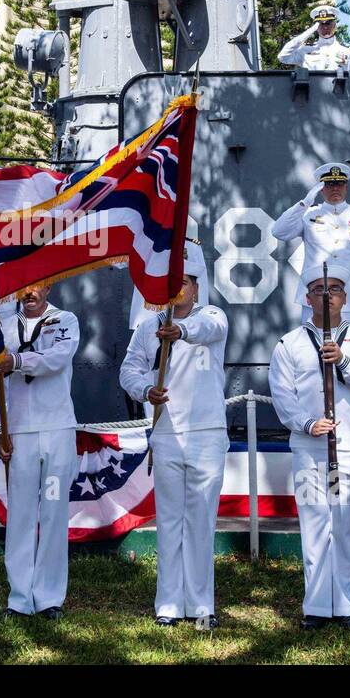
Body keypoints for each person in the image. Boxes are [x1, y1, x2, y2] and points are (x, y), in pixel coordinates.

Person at [268, 267, 350, 631]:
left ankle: (344, 604)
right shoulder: (289, 343)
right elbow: (282, 395)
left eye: (334, 289)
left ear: (345, 298)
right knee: (315, 522)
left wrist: (344, 362)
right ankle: (317, 605)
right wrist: (306, 423)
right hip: (309, 446)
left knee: (347, 524)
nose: (326, 294)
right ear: (307, 298)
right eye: (318, 289)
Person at [120, 249, 228, 628]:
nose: (178, 289)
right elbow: (129, 370)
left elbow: (208, 330)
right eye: (173, 283)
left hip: (206, 433)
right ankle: (167, 604)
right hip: (166, 432)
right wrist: (146, 389)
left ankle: (201, 606)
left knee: (200, 521)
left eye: (184, 283)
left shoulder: (212, 316)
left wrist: (179, 331)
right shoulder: (149, 325)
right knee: (168, 520)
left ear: (197, 289)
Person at [0, 284, 80, 619]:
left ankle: (50, 597)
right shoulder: (4, 328)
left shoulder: (65, 320)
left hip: (57, 430)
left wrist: (16, 360)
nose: (30, 292)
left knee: (54, 512)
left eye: (37, 284)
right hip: (21, 433)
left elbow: (56, 359)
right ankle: (20, 598)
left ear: (50, 285)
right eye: (24, 286)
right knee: (21, 515)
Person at [272, 162, 350, 332]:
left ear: (346, 187)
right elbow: (279, 232)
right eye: (329, 184)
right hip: (315, 300)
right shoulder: (308, 214)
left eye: (339, 184)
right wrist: (304, 203)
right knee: (313, 352)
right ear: (321, 188)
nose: (335, 188)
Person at [277, 5, 350, 71]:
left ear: (335, 25)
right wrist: (309, 31)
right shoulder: (305, 50)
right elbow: (283, 57)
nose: (325, 27)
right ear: (316, 27)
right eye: (321, 24)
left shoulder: (347, 52)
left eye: (328, 23)